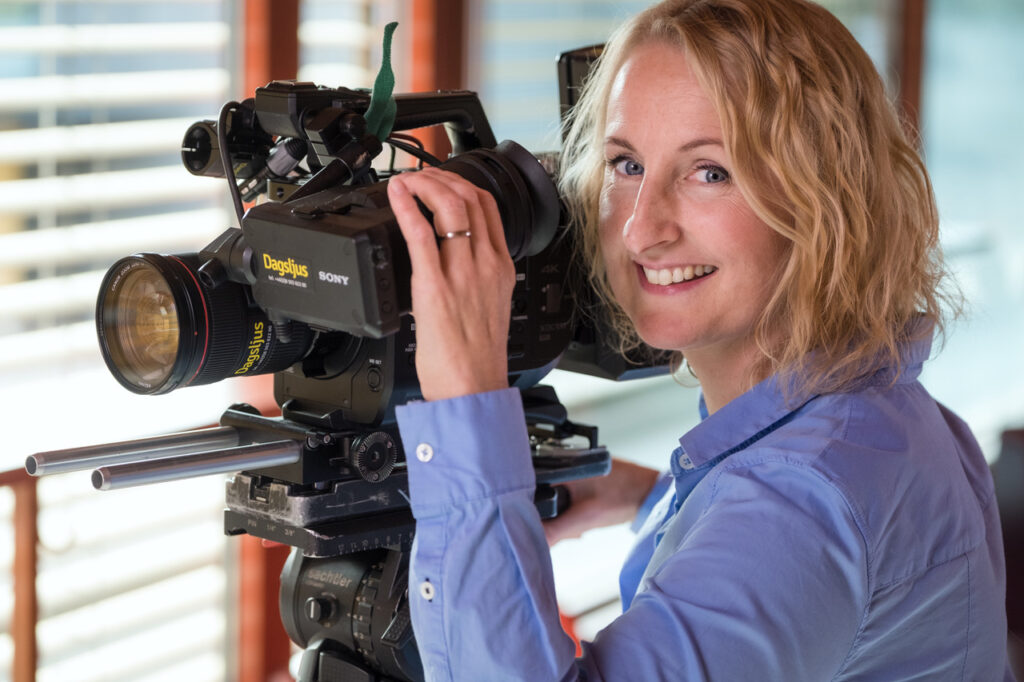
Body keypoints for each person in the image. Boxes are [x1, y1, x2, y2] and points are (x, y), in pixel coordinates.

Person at [385, 0, 1014, 679]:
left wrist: (467, 397)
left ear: (823, 200)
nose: (641, 230)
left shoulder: (801, 498)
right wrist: (648, 499)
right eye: (626, 165)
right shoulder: (873, 409)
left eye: (709, 172)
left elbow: (794, 527)